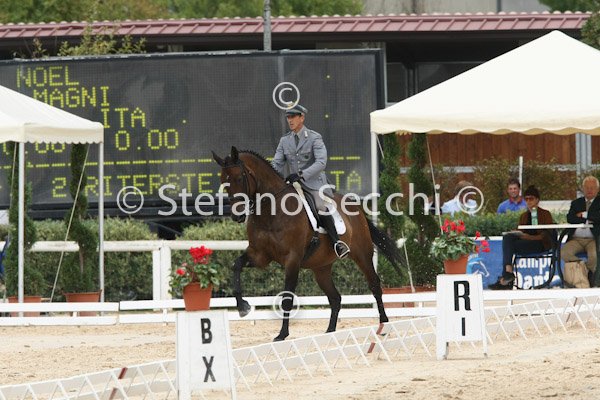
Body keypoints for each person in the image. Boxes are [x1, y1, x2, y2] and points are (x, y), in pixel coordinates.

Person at [272, 104, 350, 258]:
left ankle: (337, 243)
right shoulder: (284, 140)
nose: (290, 120)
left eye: (293, 117)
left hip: (313, 184)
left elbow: (321, 162)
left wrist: (301, 175)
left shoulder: (314, 137)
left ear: (302, 117)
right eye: (288, 117)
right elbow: (277, 164)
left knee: (320, 206)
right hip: (293, 184)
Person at [489, 185, 555, 290]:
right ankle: (508, 272)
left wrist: (528, 237)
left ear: (537, 200)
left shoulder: (545, 214)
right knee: (507, 238)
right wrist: (516, 233)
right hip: (525, 243)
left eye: (531, 199)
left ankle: (506, 278)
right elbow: (522, 231)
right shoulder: (524, 215)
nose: (528, 202)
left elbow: (546, 235)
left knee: (509, 245)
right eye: (526, 199)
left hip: (540, 244)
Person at [561, 176, 599, 286]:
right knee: (563, 253)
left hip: (593, 239)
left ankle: (588, 277)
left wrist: (583, 215)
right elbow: (570, 218)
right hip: (576, 239)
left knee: (594, 255)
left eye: (592, 188)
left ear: (597, 189)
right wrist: (589, 218)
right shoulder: (576, 203)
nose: (589, 190)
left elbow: (598, 217)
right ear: (583, 189)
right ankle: (582, 269)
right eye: (587, 187)